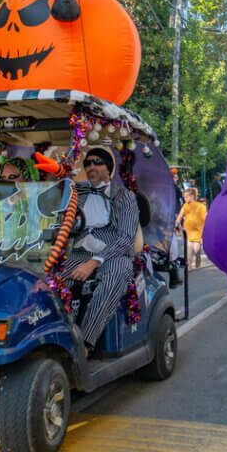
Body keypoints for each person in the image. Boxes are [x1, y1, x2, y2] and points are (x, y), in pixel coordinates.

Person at [60, 147, 139, 356]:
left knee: (117, 273)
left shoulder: (124, 196)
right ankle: (54, 337)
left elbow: (125, 238)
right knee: (48, 276)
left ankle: (85, 343)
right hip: (78, 252)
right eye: (87, 163)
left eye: (97, 162)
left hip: (111, 253)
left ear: (108, 168)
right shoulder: (77, 192)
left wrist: (94, 262)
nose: (91, 166)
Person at [177, 187, 207, 270]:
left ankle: (198, 258)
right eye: (184, 197)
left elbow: (205, 219)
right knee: (188, 250)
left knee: (197, 250)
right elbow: (180, 216)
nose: (185, 199)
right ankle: (189, 266)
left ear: (192, 196)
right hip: (188, 231)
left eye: (186, 197)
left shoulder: (201, 206)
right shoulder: (185, 206)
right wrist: (177, 226)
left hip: (198, 232)